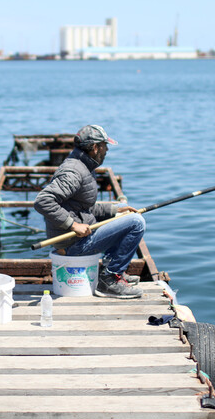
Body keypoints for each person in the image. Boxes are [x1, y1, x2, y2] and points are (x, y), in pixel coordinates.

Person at [34, 124, 146, 299]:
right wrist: (73, 225)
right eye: (104, 145)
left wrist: (115, 209)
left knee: (128, 217)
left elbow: (84, 206)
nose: (107, 150)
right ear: (95, 148)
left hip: (80, 238)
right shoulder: (74, 171)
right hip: (74, 244)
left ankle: (113, 272)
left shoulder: (84, 166)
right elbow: (43, 201)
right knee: (136, 223)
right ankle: (109, 280)